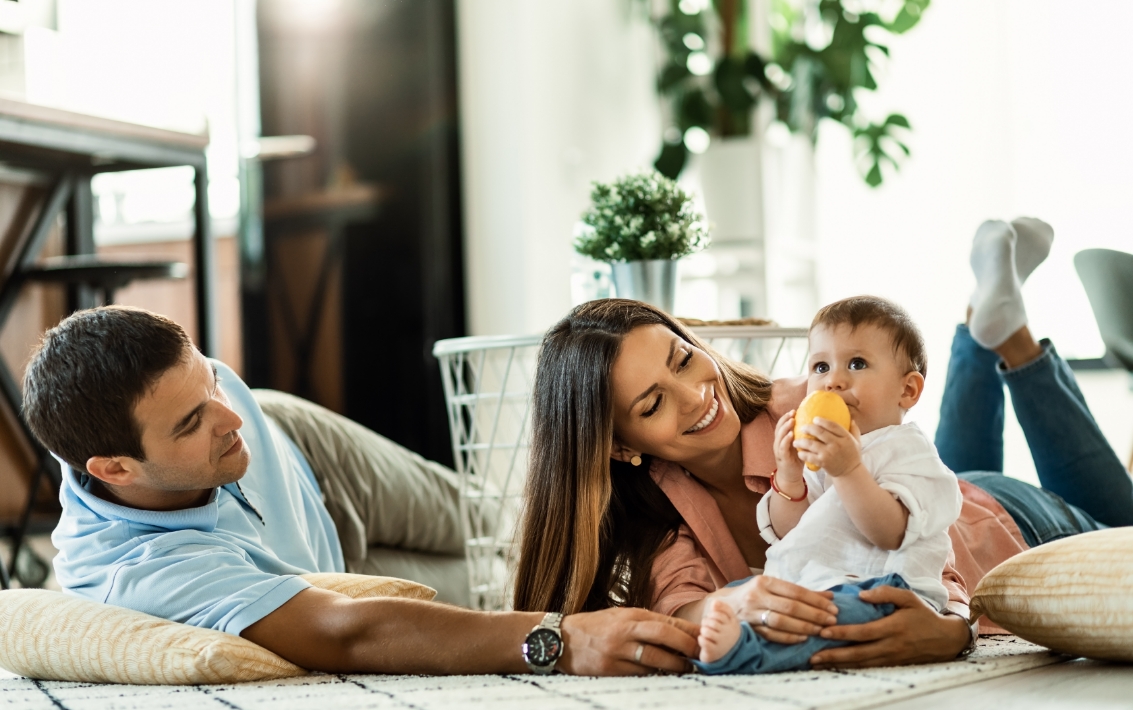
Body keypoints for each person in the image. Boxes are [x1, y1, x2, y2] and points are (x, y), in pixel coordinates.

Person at [515, 217, 1133, 669]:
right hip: (944, 484)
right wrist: (727, 609)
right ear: (621, 447)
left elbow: (926, 544)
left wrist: (952, 627)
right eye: (652, 404)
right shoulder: (661, 520)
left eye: (683, 358)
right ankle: (987, 321)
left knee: (1121, 520)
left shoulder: (805, 405)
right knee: (948, 457)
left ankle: (1011, 339)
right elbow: (680, 607)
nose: (696, 394)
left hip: (995, 523)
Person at [24, 306, 699, 676]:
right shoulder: (140, 575)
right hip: (329, 574)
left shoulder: (224, 415)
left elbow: (227, 411)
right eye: (192, 422)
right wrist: (560, 640)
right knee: (498, 599)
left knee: (499, 526)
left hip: (309, 450)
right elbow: (344, 633)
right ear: (114, 468)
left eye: (211, 382)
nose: (230, 417)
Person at [696, 296, 962, 673]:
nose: (833, 380)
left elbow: (889, 532)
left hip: (882, 590)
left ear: (907, 391)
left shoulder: (909, 452)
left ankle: (745, 653)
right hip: (817, 582)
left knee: (832, 621)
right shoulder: (827, 451)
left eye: (857, 363)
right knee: (745, 590)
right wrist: (789, 474)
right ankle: (741, 632)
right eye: (821, 366)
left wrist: (848, 470)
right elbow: (790, 531)